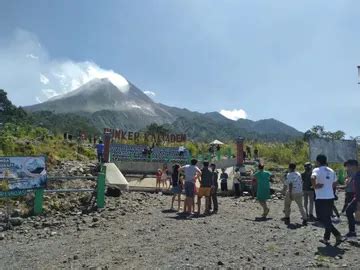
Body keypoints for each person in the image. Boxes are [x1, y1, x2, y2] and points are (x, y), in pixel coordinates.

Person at [311, 154, 342, 246]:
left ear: (318, 161)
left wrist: (315, 186)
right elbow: (336, 182)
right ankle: (326, 238)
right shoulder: (331, 170)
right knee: (327, 218)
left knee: (322, 219)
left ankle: (337, 234)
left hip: (321, 198)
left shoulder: (316, 169)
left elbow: (313, 177)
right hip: (330, 197)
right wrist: (329, 188)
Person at [344, 159, 360, 239]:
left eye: (348, 166)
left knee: (349, 211)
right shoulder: (356, 174)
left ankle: (352, 232)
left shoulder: (358, 176)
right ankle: (352, 232)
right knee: (348, 211)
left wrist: (358, 203)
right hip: (356, 198)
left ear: (353, 166)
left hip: (358, 199)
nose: (347, 168)